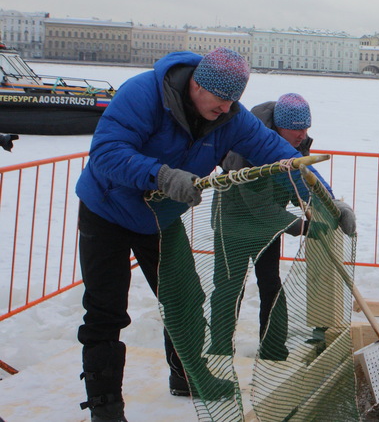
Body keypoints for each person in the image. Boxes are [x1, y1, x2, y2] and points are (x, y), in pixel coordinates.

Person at [74, 48, 355, 421]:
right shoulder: (144, 94)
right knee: (106, 309)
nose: (226, 109)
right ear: (196, 84)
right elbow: (106, 151)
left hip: (158, 218)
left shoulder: (231, 118)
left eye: (233, 101)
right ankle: (105, 404)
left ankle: (188, 374)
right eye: (221, 99)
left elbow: (283, 158)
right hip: (106, 209)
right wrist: (162, 175)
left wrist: (327, 203)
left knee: (184, 301)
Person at [208, 92, 335, 362]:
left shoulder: (297, 145)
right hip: (233, 225)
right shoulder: (247, 147)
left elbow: (297, 183)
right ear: (278, 127)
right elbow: (259, 205)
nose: (302, 135)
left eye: (306, 128)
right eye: (296, 129)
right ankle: (219, 349)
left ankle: (273, 349)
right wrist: (301, 226)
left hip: (267, 228)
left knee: (271, 285)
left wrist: (323, 208)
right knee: (229, 289)